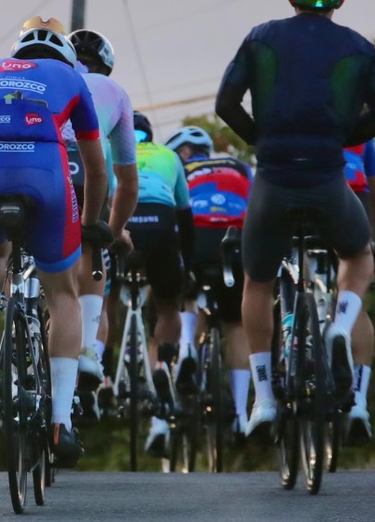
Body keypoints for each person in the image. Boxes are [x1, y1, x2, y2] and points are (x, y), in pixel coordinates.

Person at [214, 0, 375, 440]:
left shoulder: (261, 38)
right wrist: (343, 137)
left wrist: (260, 138)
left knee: (257, 280)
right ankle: (339, 325)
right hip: (326, 178)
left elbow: (226, 103)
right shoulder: (358, 46)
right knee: (358, 255)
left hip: (273, 179)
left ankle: (265, 402)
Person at [0, 16, 112, 467]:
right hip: (43, 174)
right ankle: (61, 422)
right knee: (63, 294)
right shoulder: (73, 78)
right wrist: (93, 222)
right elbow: (97, 170)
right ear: (65, 55)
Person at [165, 124, 253, 441]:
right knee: (237, 323)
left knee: (185, 293)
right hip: (236, 238)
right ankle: (242, 415)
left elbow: (175, 214)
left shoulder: (181, 169)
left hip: (198, 236)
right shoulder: (240, 167)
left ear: (185, 152)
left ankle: (188, 346)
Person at [63, 29, 138, 394]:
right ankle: (88, 350)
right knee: (91, 247)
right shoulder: (116, 93)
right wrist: (115, 229)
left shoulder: (47, 77)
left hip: (37, 169)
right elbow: (127, 182)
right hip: (88, 177)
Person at [126, 111, 195, 457]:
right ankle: (163, 363)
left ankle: (104, 372)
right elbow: (185, 214)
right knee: (168, 304)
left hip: (124, 220)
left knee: (102, 291)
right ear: (151, 135)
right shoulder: (169, 156)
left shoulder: (114, 148)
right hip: (163, 222)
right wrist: (189, 265)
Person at [343, 139, 375, 443]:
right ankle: (359, 400)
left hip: (305, 192)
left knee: (291, 279)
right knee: (354, 301)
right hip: (356, 200)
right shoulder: (365, 138)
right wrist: (371, 244)